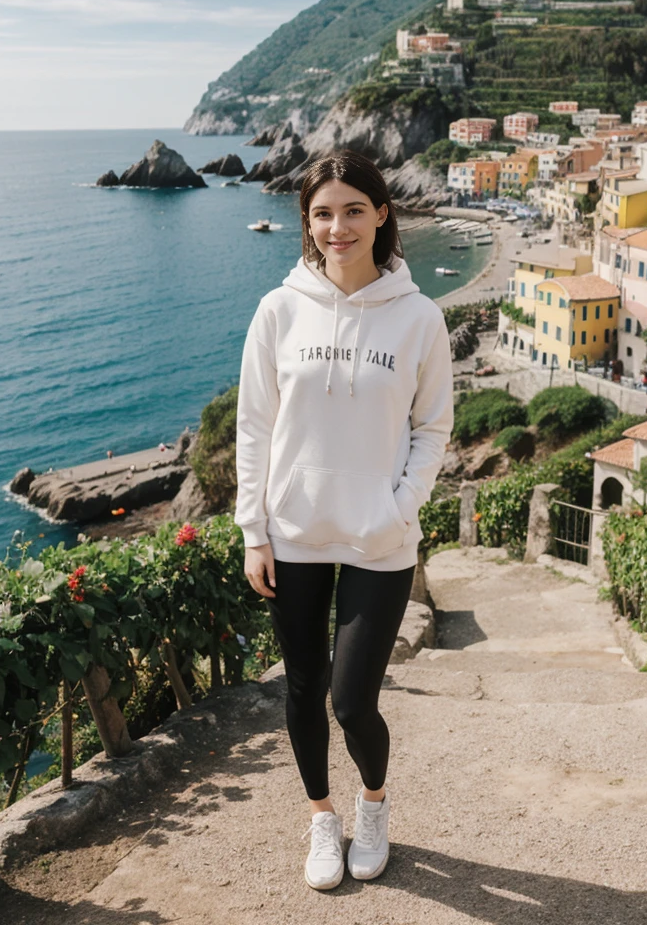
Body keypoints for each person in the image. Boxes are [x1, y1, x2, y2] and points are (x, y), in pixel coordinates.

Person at [234, 151, 454, 891]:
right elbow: (254, 426)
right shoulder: (278, 309)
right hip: (293, 531)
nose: (338, 227)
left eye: (354, 210)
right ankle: (322, 818)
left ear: (383, 214)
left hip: (379, 537)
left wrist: (401, 507)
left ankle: (374, 804)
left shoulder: (420, 318)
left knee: (352, 701)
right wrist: (252, 530)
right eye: (323, 213)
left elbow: (433, 429)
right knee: (301, 688)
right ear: (307, 222)